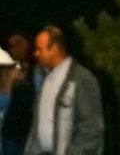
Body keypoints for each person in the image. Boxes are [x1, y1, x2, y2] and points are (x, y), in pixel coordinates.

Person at [24, 26, 104, 155]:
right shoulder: (47, 78)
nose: (35, 54)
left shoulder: (81, 79)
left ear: (55, 49)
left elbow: (91, 129)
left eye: (40, 49)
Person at [1, 32, 39, 155]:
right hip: (10, 133)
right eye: (11, 46)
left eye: (18, 43)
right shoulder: (7, 71)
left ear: (27, 44)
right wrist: (9, 83)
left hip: (30, 134)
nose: (15, 49)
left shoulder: (39, 71)